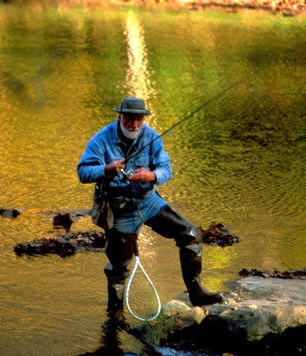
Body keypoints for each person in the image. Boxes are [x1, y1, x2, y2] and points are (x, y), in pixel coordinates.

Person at [77, 96, 223, 312]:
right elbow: (83, 172)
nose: (134, 125)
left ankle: (197, 292)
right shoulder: (101, 140)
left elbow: (166, 169)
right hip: (119, 209)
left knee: (190, 235)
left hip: (148, 201)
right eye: (129, 119)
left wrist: (151, 176)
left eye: (138, 120)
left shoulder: (152, 137)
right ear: (120, 116)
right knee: (118, 267)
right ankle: (115, 316)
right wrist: (106, 169)